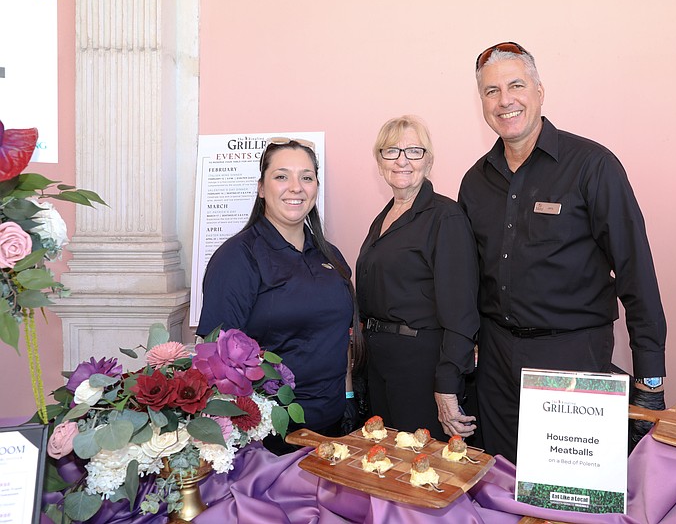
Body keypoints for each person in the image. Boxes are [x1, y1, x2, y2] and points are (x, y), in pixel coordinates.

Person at [458, 42, 667, 464]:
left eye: (515, 85)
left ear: (539, 91)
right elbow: (466, 279)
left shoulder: (593, 165)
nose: (505, 100)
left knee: (568, 493)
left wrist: (650, 374)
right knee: (500, 481)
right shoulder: (474, 182)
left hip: (573, 357)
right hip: (496, 362)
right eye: (491, 91)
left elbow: (635, 269)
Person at [197, 138, 364, 453]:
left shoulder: (330, 256)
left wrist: (349, 400)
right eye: (281, 176)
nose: (296, 187)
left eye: (306, 177)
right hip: (269, 435)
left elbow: (341, 337)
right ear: (261, 188)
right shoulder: (238, 257)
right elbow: (213, 356)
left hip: (333, 429)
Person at [356, 115, 479, 441]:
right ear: (379, 161)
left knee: (422, 469)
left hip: (422, 367)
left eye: (414, 151)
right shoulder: (383, 219)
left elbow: (461, 313)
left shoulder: (445, 217)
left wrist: (447, 386)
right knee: (387, 470)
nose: (402, 160)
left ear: (429, 160)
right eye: (391, 151)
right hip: (380, 364)